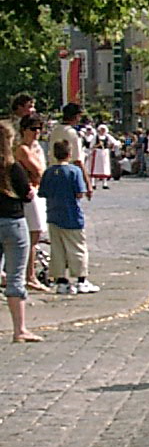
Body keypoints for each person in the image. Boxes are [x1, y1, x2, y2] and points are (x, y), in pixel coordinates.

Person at [0, 121, 40, 342]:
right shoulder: (13, 167)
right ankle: (19, 329)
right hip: (13, 222)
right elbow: (27, 194)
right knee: (16, 277)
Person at [39, 139, 90, 295]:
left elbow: (43, 193)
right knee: (77, 248)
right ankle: (81, 280)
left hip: (53, 214)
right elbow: (79, 193)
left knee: (57, 249)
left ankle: (61, 281)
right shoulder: (74, 171)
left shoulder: (48, 172)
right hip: (72, 215)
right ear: (69, 154)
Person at [14, 113, 47, 292]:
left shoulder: (37, 148)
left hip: (37, 192)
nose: (36, 132)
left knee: (35, 235)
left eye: (39, 129)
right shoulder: (23, 149)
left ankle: (29, 274)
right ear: (23, 130)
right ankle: (29, 276)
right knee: (32, 235)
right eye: (32, 129)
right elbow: (38, 170)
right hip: (30, 193)